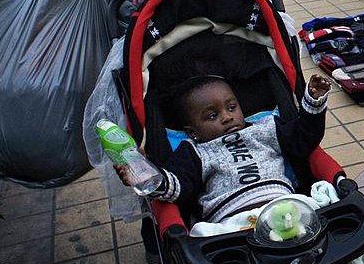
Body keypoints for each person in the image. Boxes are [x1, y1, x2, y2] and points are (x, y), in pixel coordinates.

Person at [116, 71, 331, 226]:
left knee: (323, 211)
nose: (227, 117)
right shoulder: (194, 151)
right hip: (230, 222)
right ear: (193, 132)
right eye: (212, 116)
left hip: (284, 206)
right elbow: (179, 186)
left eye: (231, 107)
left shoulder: (266, 128)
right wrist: (146, 176)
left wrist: (313, 101)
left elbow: (304, 138)